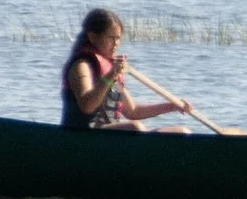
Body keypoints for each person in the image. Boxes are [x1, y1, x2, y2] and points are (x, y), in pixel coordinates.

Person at [60, 8, 194, 132]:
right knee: (135, 127)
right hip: (83, 133)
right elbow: (87, 106)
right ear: (93, 37)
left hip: (108, 135)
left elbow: (133, 111)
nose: (116, 44)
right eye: (110, 38)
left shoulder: (110, 69)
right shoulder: (81, 65)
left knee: (182, 132)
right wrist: (111, 74)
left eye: (118, 38)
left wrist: (172, 106)